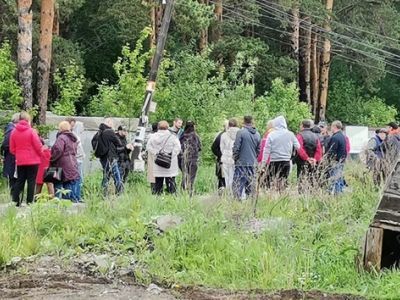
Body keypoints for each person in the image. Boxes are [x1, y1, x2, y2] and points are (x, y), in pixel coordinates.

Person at [10, 112, 44, 206]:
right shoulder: (31, 131)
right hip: (33, 160)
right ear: (28, 120)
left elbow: (12, 149)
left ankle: (15, 201)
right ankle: (29, 202)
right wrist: (41, 154)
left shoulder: (14, 132)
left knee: (20, 180)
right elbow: (38, 145)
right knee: (31, 181)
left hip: (20, 160)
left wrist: (19, 154)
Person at [262, 116, 300, 191]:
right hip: (286, 161)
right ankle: (281, 196)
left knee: (271, 181)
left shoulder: (271, 135)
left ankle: (272, 197)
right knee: (283, 181)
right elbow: (298, 146)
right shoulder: (290, 134)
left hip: (274, 161)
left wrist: (264, 163)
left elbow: (266, 150)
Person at [146, 120, 181, 195]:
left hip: (158, 164)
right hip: (170, 165)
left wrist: (156, 154)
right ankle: (172, 200)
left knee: (158, 184)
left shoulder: (153, 137)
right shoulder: (172, 137)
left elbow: (148, 147)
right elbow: (178, 148)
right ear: (168, 127)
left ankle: (158, 201)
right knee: (171, 184)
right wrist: (170, 156)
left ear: (158, 127)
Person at [232, 116, 261, 200]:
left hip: (241, 163)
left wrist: (236, 158)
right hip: (252, 163)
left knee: (237, 187)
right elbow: (259, 150)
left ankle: (236, 205)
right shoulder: (257, 134)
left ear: (243, 121)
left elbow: (236, 148)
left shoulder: (241, 133)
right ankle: (250, 205)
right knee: (251, 187)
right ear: (252, 122)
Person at [51, 121, 80, 202]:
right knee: (68, 184)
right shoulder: (73, 138)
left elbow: (58, 150)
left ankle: (57, 202)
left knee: (58, 183)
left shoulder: (61, 137)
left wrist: (52, 159)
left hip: (61, 164)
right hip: (72, 163)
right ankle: (67, 202)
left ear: (61, 128)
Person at [296, 119, 322, 192]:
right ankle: (310, 194)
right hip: (313, 161)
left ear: (302, 126)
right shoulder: (315, 136)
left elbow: (299, 148)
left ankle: (302, 195)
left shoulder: (299, 135)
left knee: (301, 179)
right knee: (311, 179)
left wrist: (306, 158)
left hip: (302, 161)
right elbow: (319, 150)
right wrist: (315, 159)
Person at [180, 121, 202, 195]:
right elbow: (199, 147)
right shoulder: (195, 136)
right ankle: (190, 191)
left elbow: (179, 146)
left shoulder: (182, 136)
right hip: (193, 159)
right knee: (192, 176)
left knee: (185, 175)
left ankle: (183, 190)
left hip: (184, 158)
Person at [326, 120, 347, 195]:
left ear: (334, 127)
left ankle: (336, 195)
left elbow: (332, 151)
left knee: (335, 179)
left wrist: (328, 160)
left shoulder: (335, 137)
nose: (331, 128)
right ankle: (339, 193)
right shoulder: (342, 136)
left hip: (335, 162)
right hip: (341, 161)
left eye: (331, 126)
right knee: (339, 178)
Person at [66, 118, 85, 201]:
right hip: (75, 159)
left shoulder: (74, 135)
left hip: (78, 158)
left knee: (78, 178)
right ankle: (74, 196)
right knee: (76, 178)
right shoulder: (71, 136)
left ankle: (77, 196)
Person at [1, 113, 19, 195]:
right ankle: (13, 196)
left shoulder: (10, 129)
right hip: (11, 156)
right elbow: (5, 144)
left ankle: (13, 195)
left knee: (12, 177)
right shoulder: (12, 130)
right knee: (12, 177)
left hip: (10, 156)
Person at [220, 118, 240, 192]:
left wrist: (225, 153)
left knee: (227, 177)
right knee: (235, 176)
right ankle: (236, 192)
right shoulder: (240, 133)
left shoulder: (224, 135)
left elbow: (221, 147)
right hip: (236, 158)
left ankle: (229, 193)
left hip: (226, 157)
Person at [211, 121, 228, 191]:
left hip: (224, 160)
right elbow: (213, 147)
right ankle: (222, 195)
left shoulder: (221, 135)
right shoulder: (221, 136)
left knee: (223, 178)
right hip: (222, 161)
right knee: (222, 178)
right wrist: (221, 155)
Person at [146, 123, 158, 192]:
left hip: (151, 158)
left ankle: (153, 190)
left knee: (152, 175)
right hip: (158, 158)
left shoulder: (149, 137)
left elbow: (147, 148)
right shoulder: (156, 137)